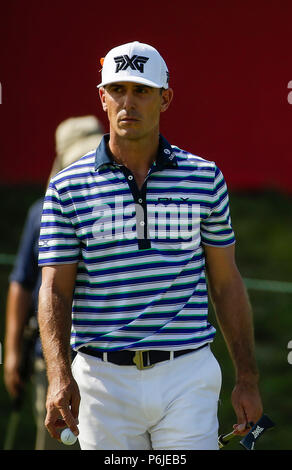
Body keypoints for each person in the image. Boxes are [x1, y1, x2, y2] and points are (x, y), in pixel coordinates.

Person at [37, 41, 263, 450]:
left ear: (165, 98)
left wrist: (247, 379)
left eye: (141, 90)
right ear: (102, 98)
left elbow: (226, 282)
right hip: (101, 379)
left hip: (187, 373)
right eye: (118, 90)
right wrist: (58, 376)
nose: (128, 102)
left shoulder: (204, 177)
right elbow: (54, 288)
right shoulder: (66, 187)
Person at [4, 115, 104, 450]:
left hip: (104, 361)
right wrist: (12, 352)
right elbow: (22, 283)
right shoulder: (41, 212)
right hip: (50, 360)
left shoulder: (116, 210)